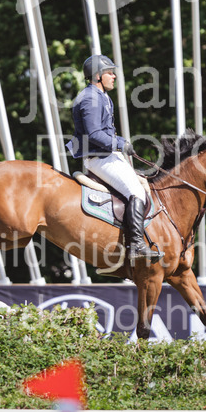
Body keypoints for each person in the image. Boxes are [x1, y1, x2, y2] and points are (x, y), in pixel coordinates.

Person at [66, 54, 162, 263]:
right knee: (136, 191)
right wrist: (120, 143)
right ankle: (136, 246)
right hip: (99, 158)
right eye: (110, 73)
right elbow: (94, 134)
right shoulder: (90, 98)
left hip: (108, 156)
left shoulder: (102, 97)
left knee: (144, 184)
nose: (114, 76)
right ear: (98, 76)